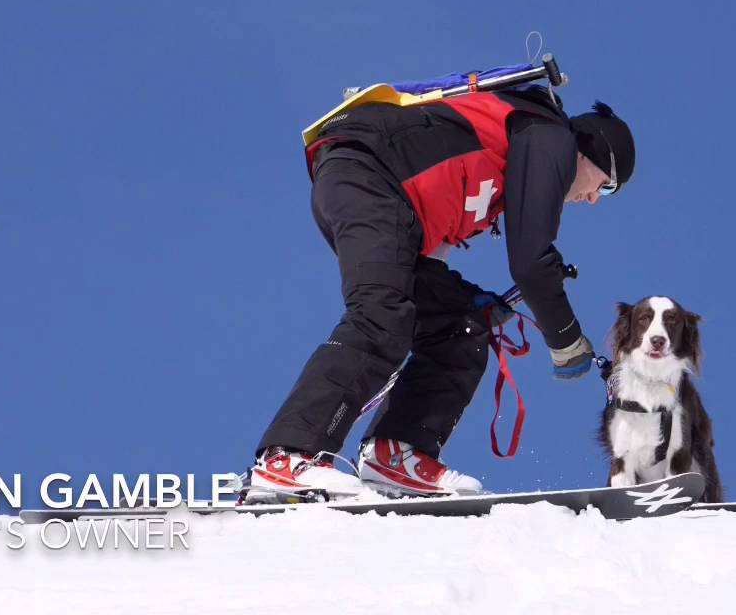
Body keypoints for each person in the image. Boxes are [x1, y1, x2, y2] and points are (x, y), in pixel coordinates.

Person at [248, 84, 636, 500]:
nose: (595, 198)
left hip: (376, 192)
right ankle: (286, 458)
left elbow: (424, 264)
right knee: (382, 314)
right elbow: (529, 260)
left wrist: (465, 301)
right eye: (607, 185)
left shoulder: (522, 154)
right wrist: (566, 339)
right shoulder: (550, 137)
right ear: (588, 152)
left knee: (461, 325)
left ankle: (395, 453)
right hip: (368, 173)